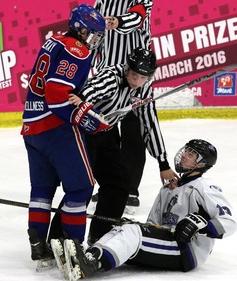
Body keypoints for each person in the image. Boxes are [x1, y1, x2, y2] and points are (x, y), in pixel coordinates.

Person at [51, 139, 237, 280]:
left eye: (192, 154)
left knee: (132, 232)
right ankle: (88, 257)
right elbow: (152, 225)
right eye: (186, 151)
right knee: (122, 229)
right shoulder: (168, 189)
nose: (185, 155)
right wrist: (138, 227)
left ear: (202, 164)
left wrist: (200, 224)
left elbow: (229, 222)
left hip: (187, 251)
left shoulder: (204, 187)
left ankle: (92, 265)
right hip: (169, 242)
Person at [20, 4, 107, 271]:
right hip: (55, 127)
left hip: (31, 126)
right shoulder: (77, 50)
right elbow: (57, 97)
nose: (93, 40)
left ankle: (39, 246)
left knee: (42, 190)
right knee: (81, 188)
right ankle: (73, 249)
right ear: (80, 29)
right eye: (91, 33)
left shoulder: (54, 41)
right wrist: (87, 117)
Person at [69, 47, 178, 246]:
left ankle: (100, 237)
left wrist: (163, 162)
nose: (137, 81)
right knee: (82, 186)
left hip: (107, 134)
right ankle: (64, 238)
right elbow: (94, 88)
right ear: (127, 68)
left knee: (119, 184)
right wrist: (84, 99)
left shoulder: (144, 88)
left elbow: (149, 123)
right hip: (84, 133)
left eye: (142, 78)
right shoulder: (112, 76)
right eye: (134, 75)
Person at [90, 0, 155, 214]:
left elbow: (135, 20)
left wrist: (116, 21)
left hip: (135, 75)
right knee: (107, 137)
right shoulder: (102, 2)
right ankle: (110, 184)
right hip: (109, 78)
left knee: (134, 134)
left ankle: (131, 190)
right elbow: (96, 39)